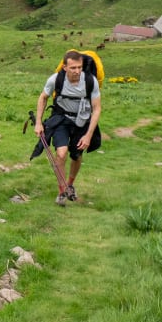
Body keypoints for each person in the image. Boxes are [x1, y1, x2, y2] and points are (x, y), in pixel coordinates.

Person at [34, 50, 101, 206]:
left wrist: (88, 135)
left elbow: (97, 108)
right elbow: (43, 97)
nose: (77, 71)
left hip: (82, 120)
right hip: (61, 119)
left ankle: (70, 184)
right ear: (65, 67)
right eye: (73, 68)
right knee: (61, 153)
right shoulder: (55, 80)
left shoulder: (91, 81)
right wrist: (38, 122)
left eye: (79, 67)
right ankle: (62, 191)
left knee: (76, 156)